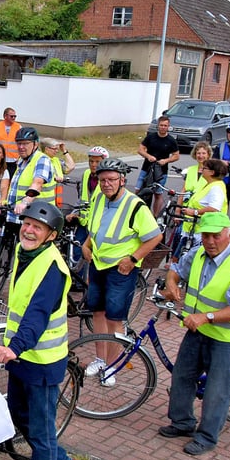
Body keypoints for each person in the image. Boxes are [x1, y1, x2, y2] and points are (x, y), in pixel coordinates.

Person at [0, 201, 84, 460]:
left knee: (42, 432)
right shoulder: (24, 252)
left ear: (51, 235)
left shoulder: (52, 267)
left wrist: (13, 348)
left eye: (37, 227)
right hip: (22, 356)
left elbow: (37, 314)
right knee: (19, 414)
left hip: (42, 361)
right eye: (27, 224)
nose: (29, 230)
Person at [160, 212, 230, 456]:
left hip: (225, 339)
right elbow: (175, 269)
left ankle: (207, 437)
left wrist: (205, 317)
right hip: (198, 331)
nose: (210, 241)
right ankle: (182, 423)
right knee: (182, 376)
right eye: (206, 236)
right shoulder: (198, 253)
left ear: (229, 236)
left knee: (217, 391)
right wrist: (171, 283)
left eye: (216, 236)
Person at [81, 158, 163, 380]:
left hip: (120, 270)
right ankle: (100, 360)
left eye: (111, 179)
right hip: (98, 264)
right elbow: (96, 227)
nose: (106, 184)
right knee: (97, 313)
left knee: (114, 319)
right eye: (102, 180)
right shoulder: (99, 198)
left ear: (122, 180)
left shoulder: (135, 205)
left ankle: (112, 367)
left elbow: (155, 236)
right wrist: (87, 244)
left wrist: (133, 259)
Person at [7, 127, 56, 237]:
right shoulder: (22, 161)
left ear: (35, 144)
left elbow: (37, 183)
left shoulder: (42, 160)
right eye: (19, 143)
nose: (21, 147)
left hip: (36, 218)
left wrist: (24, 202)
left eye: (25, 143)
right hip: (18, 216)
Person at [174, 159, 228, 258]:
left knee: (189, 258)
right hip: (193, 228)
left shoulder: (216, 187)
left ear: (212, 172)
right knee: (178, 258)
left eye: (204, 168)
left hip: (203, 230)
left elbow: (215, 208)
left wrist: (195, 212)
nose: (201, 170)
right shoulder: (208, 184)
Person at [137, 115, 180, 216]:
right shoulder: (151, 137)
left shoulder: (171, 140)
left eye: (165, 125)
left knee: (158, 194)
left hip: (161, 172)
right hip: (146, 168)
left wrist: (166, 160)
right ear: (158, 126)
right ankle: (138, 213)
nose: (163, 127)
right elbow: (140, 149)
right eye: (161, 125)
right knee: (138, 190)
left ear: (168, 126)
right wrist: (148, 156)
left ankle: (155, 216)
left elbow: (176, 156)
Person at [39, 138, 75, 208]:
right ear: (46, 149)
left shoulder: (56, 160)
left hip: (55, 202)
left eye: (57, 149)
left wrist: (64, 151)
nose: (57, 151)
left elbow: (71, 166)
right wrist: (54, 178)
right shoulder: (40, 161)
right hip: (43, 202)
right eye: (54, 149)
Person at [0, 107, 22, 176]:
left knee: (10, 179)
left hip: (13, 161)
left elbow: (22, 143)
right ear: (5, 116)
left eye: (15, 116)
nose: (13, 118)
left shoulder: (19, 128)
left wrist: (20, 157)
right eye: (11, 116)